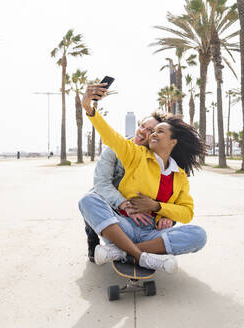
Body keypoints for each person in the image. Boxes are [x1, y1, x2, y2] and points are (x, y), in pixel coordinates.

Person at [78, 83, 207, 273]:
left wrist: (159, 208)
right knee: (89, 199)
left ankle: (120, 252)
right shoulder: (135, 154)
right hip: (122, 226)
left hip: (153, 233)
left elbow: (187, 212)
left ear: (173, 142)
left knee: (199, 235)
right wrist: (89, 108)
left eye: (157, 131)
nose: (150, 133)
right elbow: (111, 137)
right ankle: (143, 257)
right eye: (147, 129)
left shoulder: (179, 176)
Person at [83, 111, 170, 262]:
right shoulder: (114, 148)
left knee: (171, 214)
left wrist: (166, 215)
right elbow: (102, 183)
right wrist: (125, 205)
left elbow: (169, 189)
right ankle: (93, 239)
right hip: (112, 199)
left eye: (150, 130)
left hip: (139, 206)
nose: (143, 131)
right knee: (90, 199)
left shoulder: (157, 157)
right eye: (143, 126)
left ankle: (137, 245)